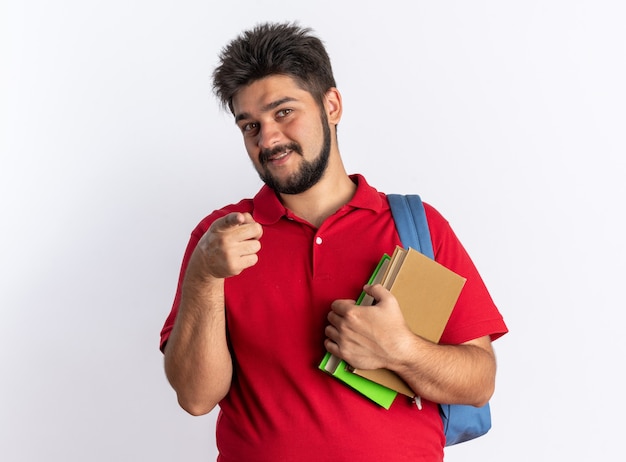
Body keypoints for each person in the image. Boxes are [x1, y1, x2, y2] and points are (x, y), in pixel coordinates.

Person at [160, 21, 508, 462]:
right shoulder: (221, 239)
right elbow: (195, 397)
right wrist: (205, 277)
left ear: (332, 105)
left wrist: (400, 350)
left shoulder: (417, 226)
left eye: (284, 112)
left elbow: (479, 383)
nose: (268, 139)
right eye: (250, 125)